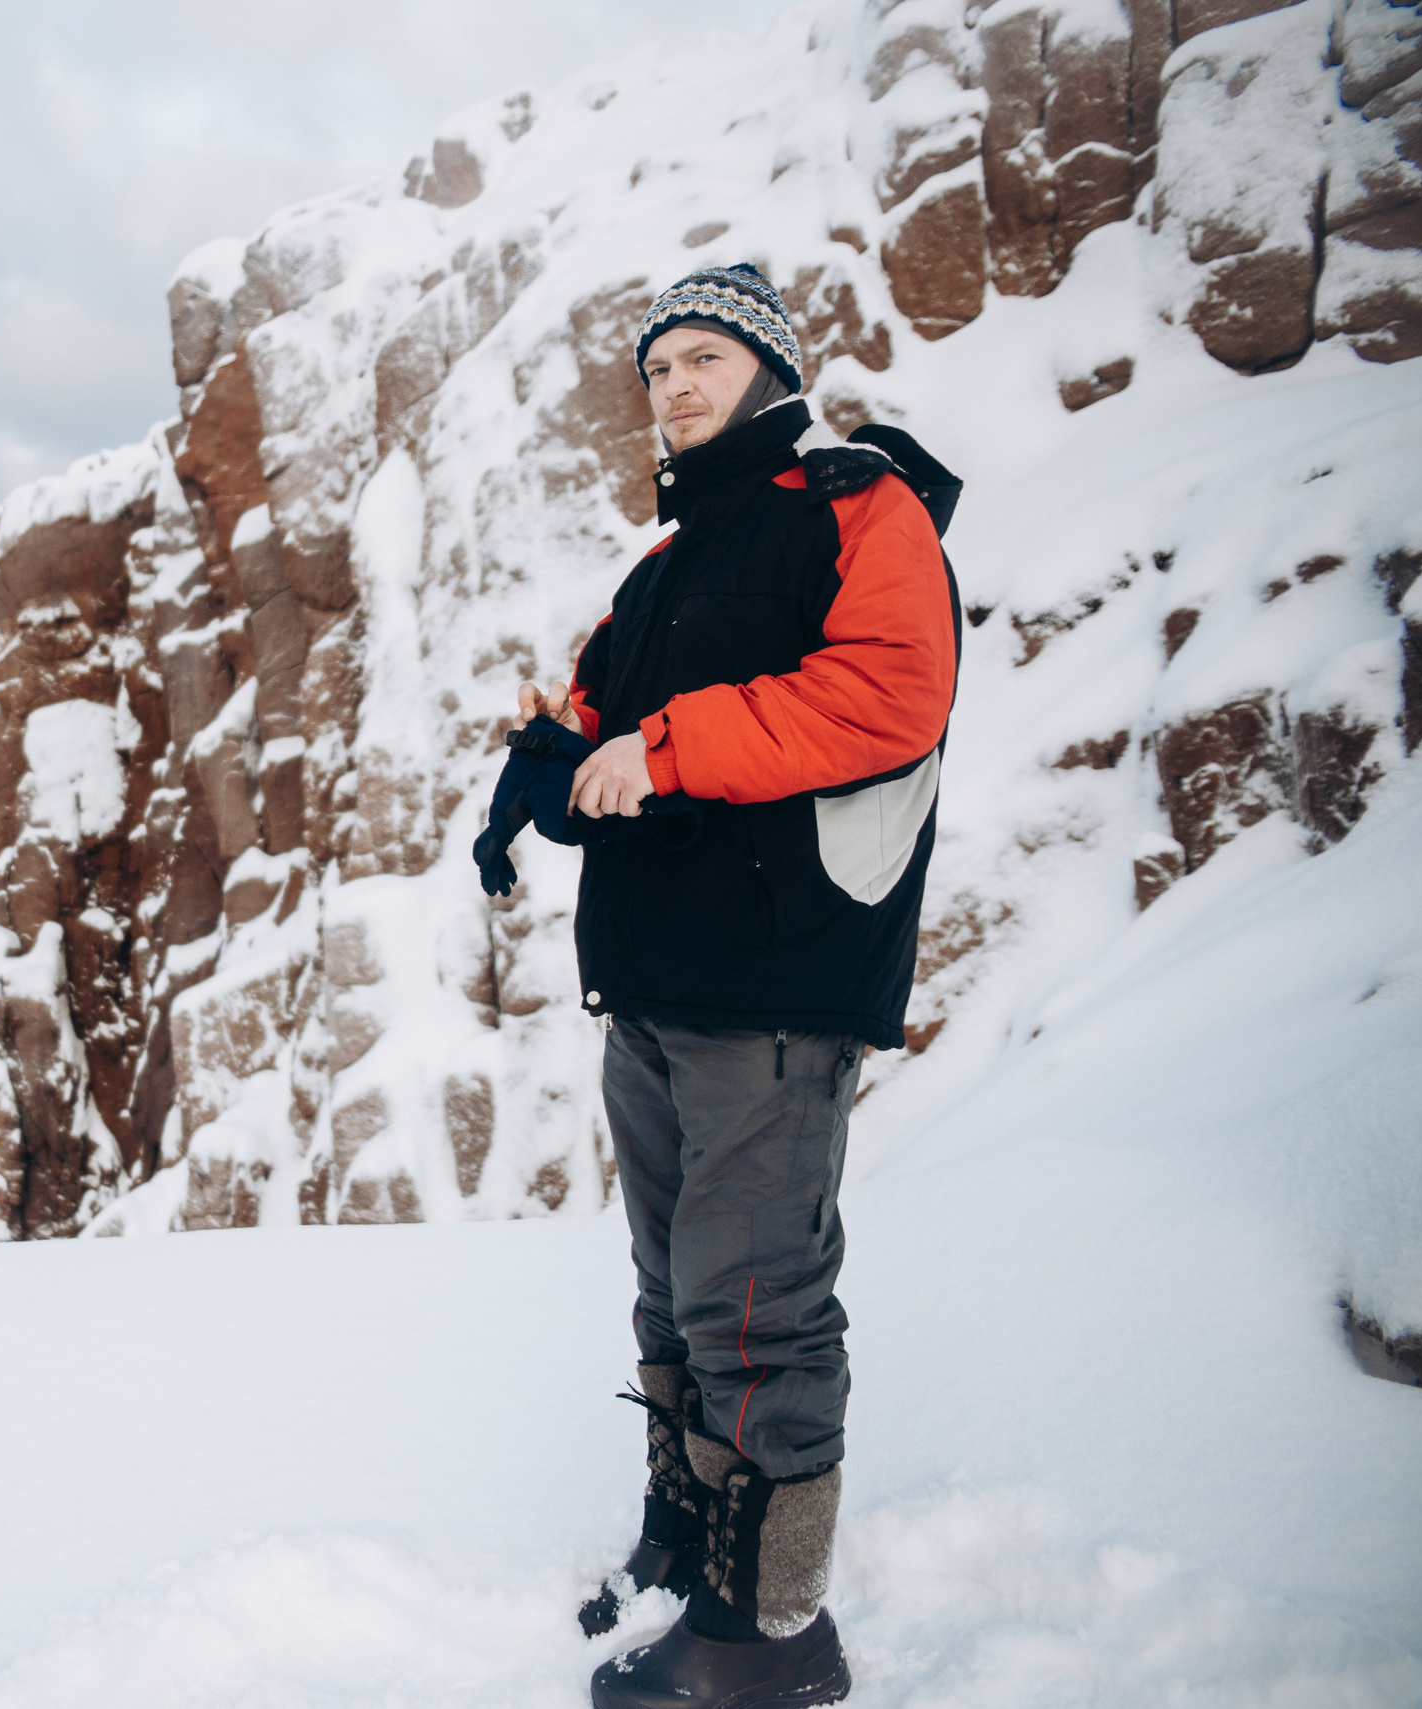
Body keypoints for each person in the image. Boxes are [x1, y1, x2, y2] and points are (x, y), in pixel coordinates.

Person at [507, 264, 959, 1709]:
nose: (677, 385)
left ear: (769, 369)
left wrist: (671, 745)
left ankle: (771, 1633)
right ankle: (691, 1541)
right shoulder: (665, 565)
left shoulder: (859, 510)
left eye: (703, 356)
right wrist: (554, 751)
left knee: (755, 1300)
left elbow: (893, 693)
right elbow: (603, 717)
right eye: (657, 368)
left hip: (777, 981)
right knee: (673, 1288)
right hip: (651, 980)